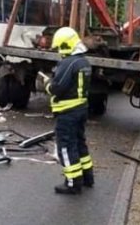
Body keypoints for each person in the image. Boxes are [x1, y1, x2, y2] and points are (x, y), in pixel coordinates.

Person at [43, 27, 94, 194]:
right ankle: (87, 177)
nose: (59, 50)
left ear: (65, 45)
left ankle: (73, 183)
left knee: (65, 146)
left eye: (59, 47)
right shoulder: (83, 62)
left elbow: (58, 88)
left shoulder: (68, 63)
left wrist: (47, 85)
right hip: (81, 109)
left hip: (68, 112)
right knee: (80, 143)